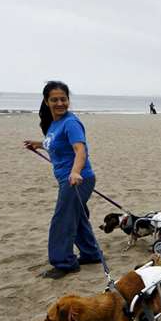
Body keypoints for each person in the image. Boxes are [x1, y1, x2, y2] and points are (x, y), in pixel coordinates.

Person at [23, 81, 100, 279]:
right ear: (46, 101)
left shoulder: (71, 122)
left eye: (63, 99)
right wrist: (39, 144)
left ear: (68, 100)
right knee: (77, 216)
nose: (60, 103)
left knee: (62, 220)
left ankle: (64, 263)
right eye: (54, 99)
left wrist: (75, 172)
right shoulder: (55, 123)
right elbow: (57, 144)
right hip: (70, 179)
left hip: (77, 179)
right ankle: (91, 254)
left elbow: (80, 150)